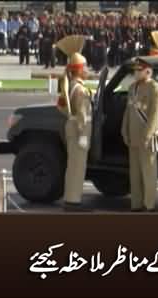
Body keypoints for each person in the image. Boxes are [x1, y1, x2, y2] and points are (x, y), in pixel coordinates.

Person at [55, 35, 94, 211]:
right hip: (79, 132)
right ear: (79, 70)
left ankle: (71, 198)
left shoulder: (71, 86)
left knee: (72, 167)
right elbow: (83, 116)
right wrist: (83, 135)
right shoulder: (80, 90)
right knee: (77, 168)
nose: (87, 70)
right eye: (85, 67)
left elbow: (64, 108)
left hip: (71, 129)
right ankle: (73, 201)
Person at [121, 58, 158, 212]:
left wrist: (146, 136)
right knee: (135, 174)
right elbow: (128, 110)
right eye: (135, 70)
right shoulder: (132, 87)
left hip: (148, 137)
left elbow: (155, 115)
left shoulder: (156, 89)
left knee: (149, 173)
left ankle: (149, 205)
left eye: (139, 70)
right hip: (133, 135)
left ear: (148, 71)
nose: (135, 73)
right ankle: (136, 204)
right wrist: (124, 130)